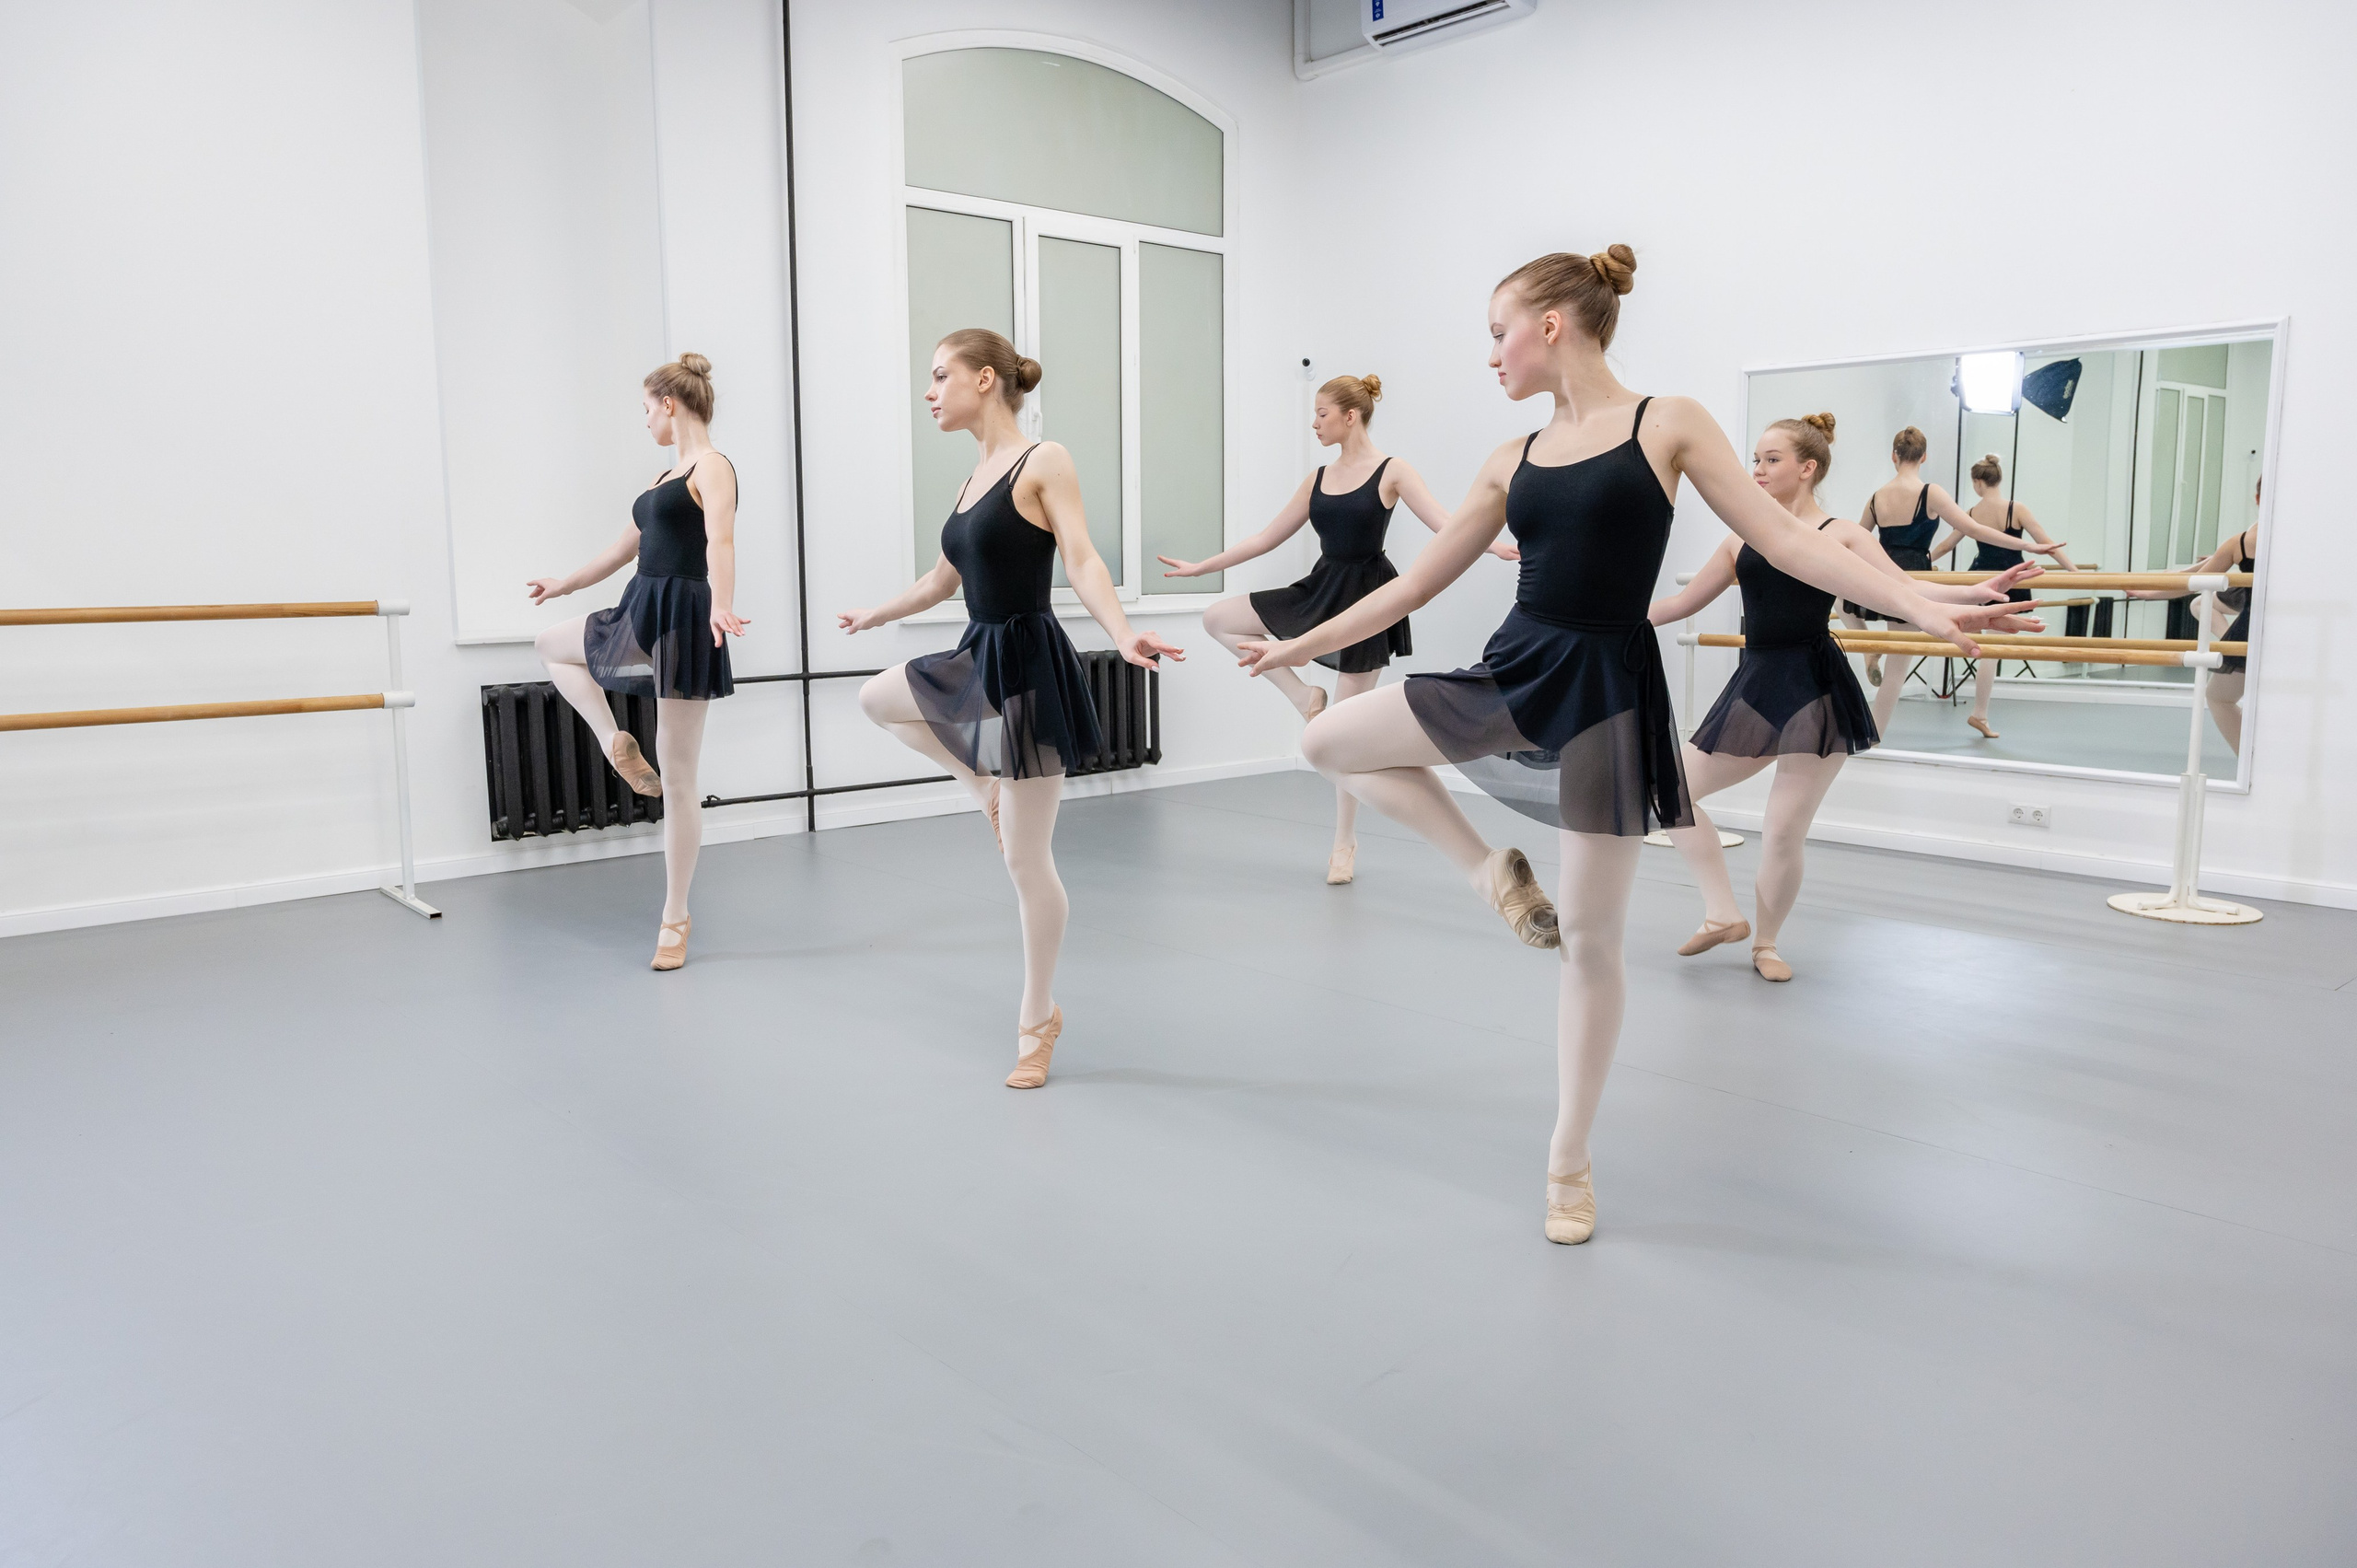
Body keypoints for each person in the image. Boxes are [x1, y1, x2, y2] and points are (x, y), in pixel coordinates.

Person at [1238, 247, 2038, 1246]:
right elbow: (1406, 588)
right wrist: (1295, 643)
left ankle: (1567, 1157)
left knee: (1591, 941)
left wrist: (1926, 602)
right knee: (1328, 741)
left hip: (1611, 692)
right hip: (1517, 668)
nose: (1489, 355)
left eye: (1497, 332)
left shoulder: (1669, 422)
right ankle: (1489, 870)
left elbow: (1791, 545)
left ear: (1550, 326)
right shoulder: (1509, 457)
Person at [839, 329, 1183, 1088]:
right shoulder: (970, 480)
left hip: (1028, 664)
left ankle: (1038, 1016)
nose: (929, 392)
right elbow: (939, 582)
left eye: (939, 376)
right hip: (977, 650)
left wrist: (1122, 634)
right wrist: (876, 612)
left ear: (985, 378)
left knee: (1027, 862)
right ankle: (985, 788)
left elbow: (1084, 556)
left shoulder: (1042, 460)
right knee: (879, 698)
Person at [1649, 414, 2041, 981]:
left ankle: (1766, 944)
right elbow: (1679, 606)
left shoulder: (1840, 534)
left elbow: (1903, 589)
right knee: (1672, 789)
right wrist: (1602, 621)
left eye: (1771, 459)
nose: (1757, 470)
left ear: (1808, 468)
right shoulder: (1741, 535)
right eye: (1755, 459)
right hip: (1757, 684)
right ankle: (1720, 913)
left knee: (1783, 830)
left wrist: (1977, 591)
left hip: (1816, 687)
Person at [1159, 373, 1514, 884]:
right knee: (1218, 618)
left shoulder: (1393, 471)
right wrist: (1201, 567)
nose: (1314, 423)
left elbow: (1447, 522)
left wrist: (1492, 545)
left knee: (1343, 734)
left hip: (1368, 599)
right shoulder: (1317, 479)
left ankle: (1344, 842)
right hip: (1319, 589)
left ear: (1351, 416)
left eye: (1322, 414)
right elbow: (1264, 539)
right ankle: (1304, 696)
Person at [528, 353, 744, 971]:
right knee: (552, 645)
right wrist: (563, 584)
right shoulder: (659, 479)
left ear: (670, 404)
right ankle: (614, 741)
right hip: (639, 606)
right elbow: (620, 551)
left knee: (678, 781)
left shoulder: (714, 466)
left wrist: (723, 606)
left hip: (685, 616)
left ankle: (675, 916)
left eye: (647, 409)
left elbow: (720, 538)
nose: (646, 420)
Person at [1840, 426, 2068, 740]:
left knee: (1843, 606)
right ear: (1924, 457)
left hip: (1880, 571)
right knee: (1897, 667)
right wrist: (2027, 546)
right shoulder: (1930, 493)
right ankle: (1872, 736)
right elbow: (1972, 529)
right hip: (1914, 577)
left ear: (1893, 456)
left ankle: (1867, 652)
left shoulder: (1877, 497)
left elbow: (1857, 540)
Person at [1927, 453, 2079, 738]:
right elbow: (2047, 544)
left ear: (1977, 482)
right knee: (1992, 649)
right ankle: (1979, 713)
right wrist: (2076, 573)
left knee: (1990, 647)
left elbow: (1947, 546)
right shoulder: (2016, 509)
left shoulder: (1972, 513)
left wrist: (1921, 563)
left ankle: (1980, 713)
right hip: (2009, 580)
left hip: (1981, 578)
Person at [2131, 478, 2259, 754]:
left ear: (2258, 499)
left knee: (2218, 697)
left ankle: (2252, 765)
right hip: (2294, 623)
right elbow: (2197, 577)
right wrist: (2149, 592)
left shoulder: (2240, 542)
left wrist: (2148, 594)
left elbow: (2193, 583)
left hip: (2256, 626)